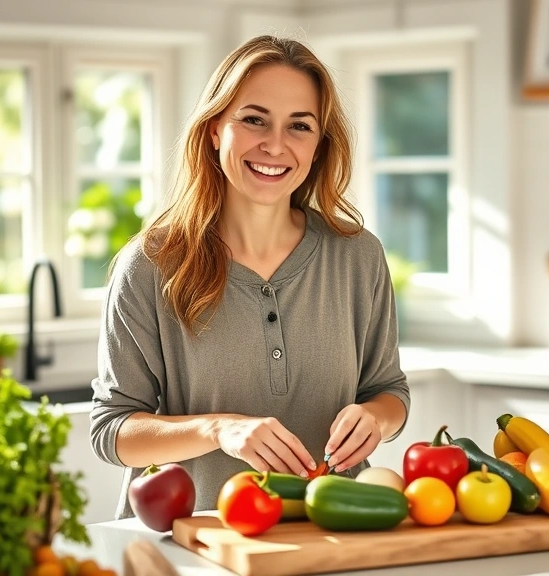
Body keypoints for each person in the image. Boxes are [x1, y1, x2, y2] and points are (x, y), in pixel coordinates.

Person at [90, 34, 410, 519]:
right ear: (216, 129)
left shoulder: (357, 256)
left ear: (320, 144)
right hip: (192, 542)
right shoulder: (151, 264)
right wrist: (220, 430)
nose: (275, 145)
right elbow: (111, 431)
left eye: (299, 126)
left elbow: (389, 391)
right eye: (254, 119)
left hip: (336, 534)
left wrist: (375, 419)